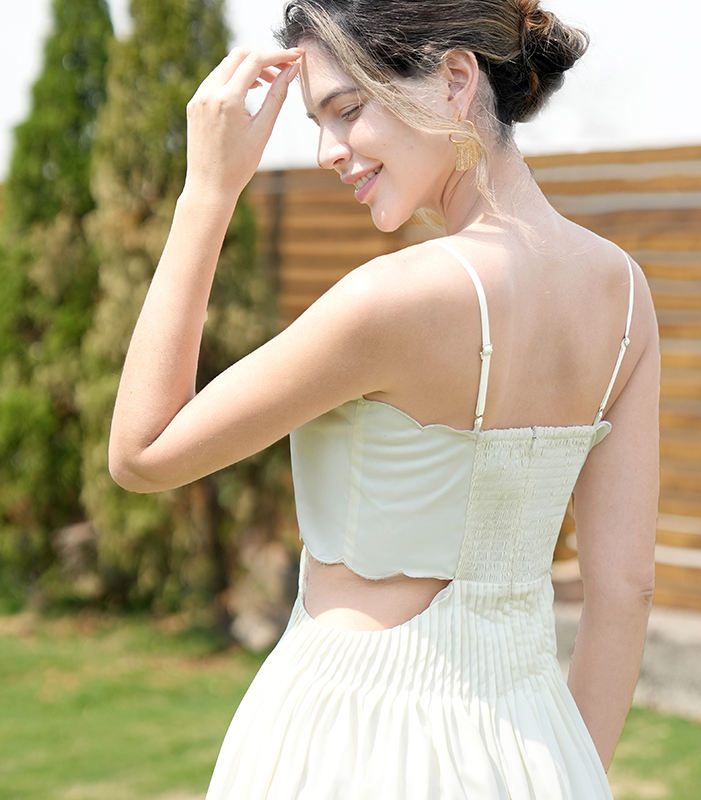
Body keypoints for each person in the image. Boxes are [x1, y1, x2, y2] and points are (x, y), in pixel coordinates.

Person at [109, 0, 660, 796]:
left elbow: (142, 453)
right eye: (317, 123)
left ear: (455, 79)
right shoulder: (626, 294)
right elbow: (625, 590)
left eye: (347, 110)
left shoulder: (390, 300)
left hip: (352, 737)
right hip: (536, 740)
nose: (328, 151)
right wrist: (567, 773)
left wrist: (208, 192)